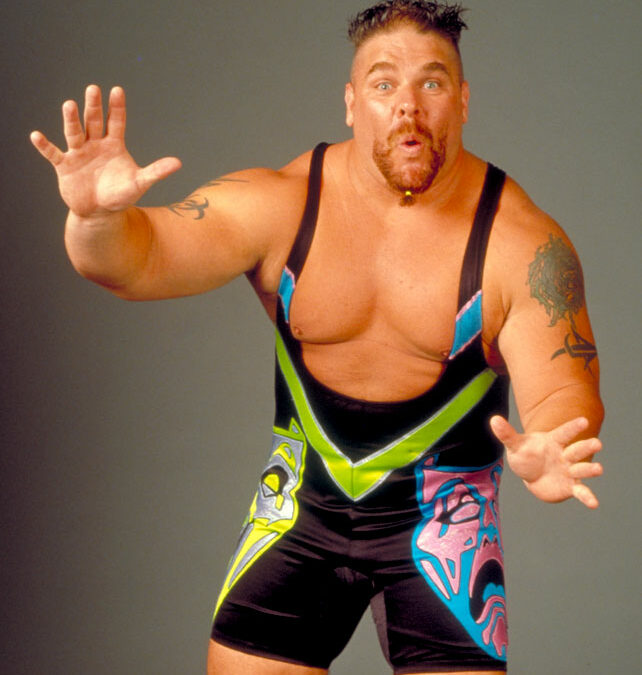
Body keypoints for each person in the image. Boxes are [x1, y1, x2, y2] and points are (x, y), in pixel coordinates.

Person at [30, 1, 604, 673]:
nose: (408, 106)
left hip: (446, 524)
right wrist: (96, 220)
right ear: (351, 102)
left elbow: (563, 389)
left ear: (464, 99)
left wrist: (552, 440)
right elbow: (136, 261)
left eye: (432, 81)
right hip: (299, 513)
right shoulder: (283, 203)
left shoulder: (520, 242)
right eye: (384, 82)